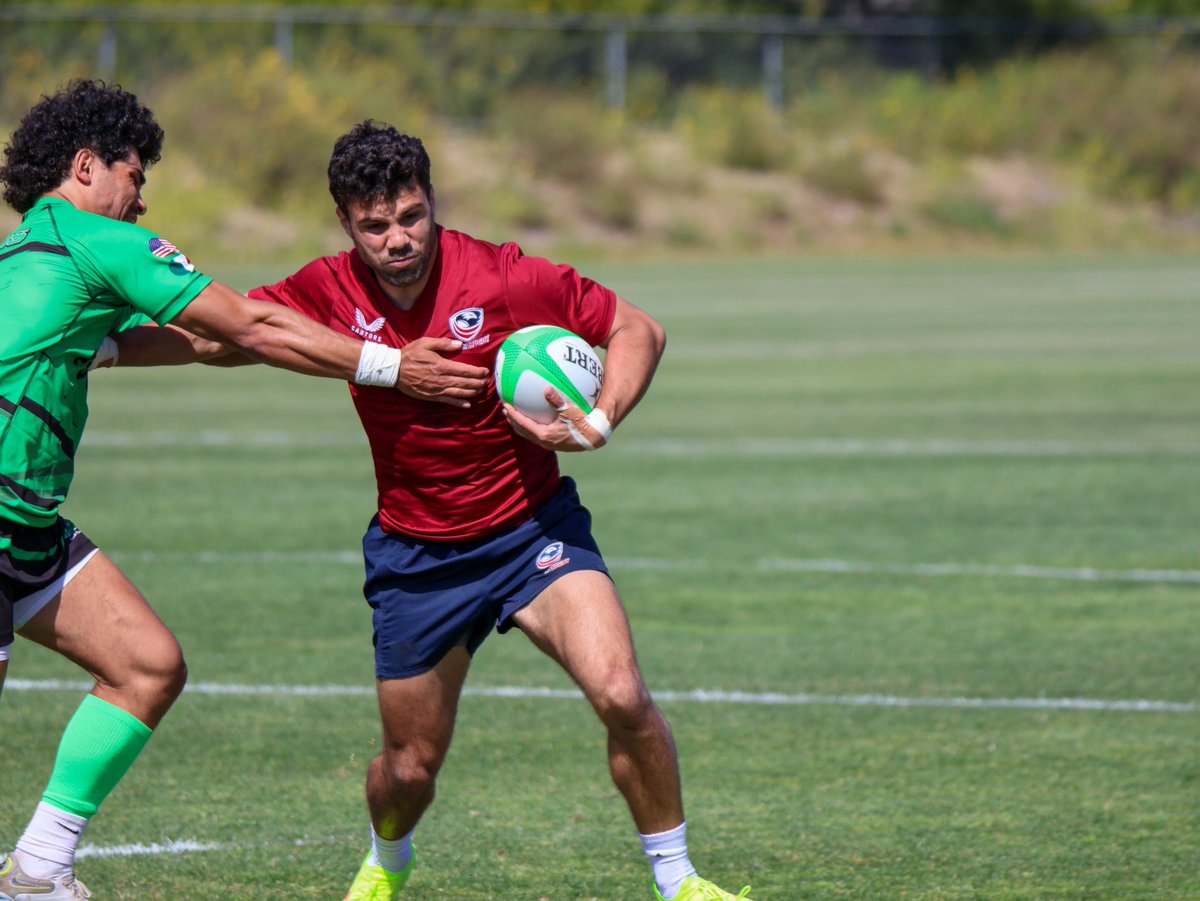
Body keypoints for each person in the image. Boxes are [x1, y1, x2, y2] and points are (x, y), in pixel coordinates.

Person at [108, 121, 756, 901]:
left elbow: (636, 328)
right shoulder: (328, 288)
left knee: (621, 693)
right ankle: (388, 857)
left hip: (533, 531)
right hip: (417, 557)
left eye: (410, 216)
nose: (398, 239)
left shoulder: (504, 277)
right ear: (347, 224)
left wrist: (601, 418)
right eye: (375, 226)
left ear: (432, 202)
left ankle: (680, 879)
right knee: (409, 768)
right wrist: (103, 350)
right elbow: (223, 338)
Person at [0, 84, 487, 901]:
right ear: (86, 167)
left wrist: (196, 342)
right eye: (132, 171)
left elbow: (186, 336)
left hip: (27, 527)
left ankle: (40, 868)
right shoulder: (99, 242)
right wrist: (392, 364)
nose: (141, 193)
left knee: (146, 663)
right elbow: (250, 325)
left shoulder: (28, 253)